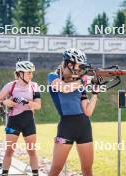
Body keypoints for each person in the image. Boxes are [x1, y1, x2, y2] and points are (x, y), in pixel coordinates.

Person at [47, 48, 99, 176]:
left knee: (87, 170)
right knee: (55, 169)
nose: (79, 70)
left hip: (84, 126)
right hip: (66, 127)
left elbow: (88, 112)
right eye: (78, 67)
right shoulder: (53, 76)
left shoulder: (78, 82)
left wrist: (95, 92)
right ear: (69, 64)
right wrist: (83, 81)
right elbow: (64, 89)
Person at [0, 60, 41, 176]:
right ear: (20, 73)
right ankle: (4, 173)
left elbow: (38, 106)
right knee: (9, 151)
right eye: (29, 72)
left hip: (29, 121)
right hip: (13, 122)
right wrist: (5, 102)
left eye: (31, 73)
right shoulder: (11, 86)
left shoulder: (34, 86)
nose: (31, 75)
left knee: (32, 151)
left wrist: (26, 102)